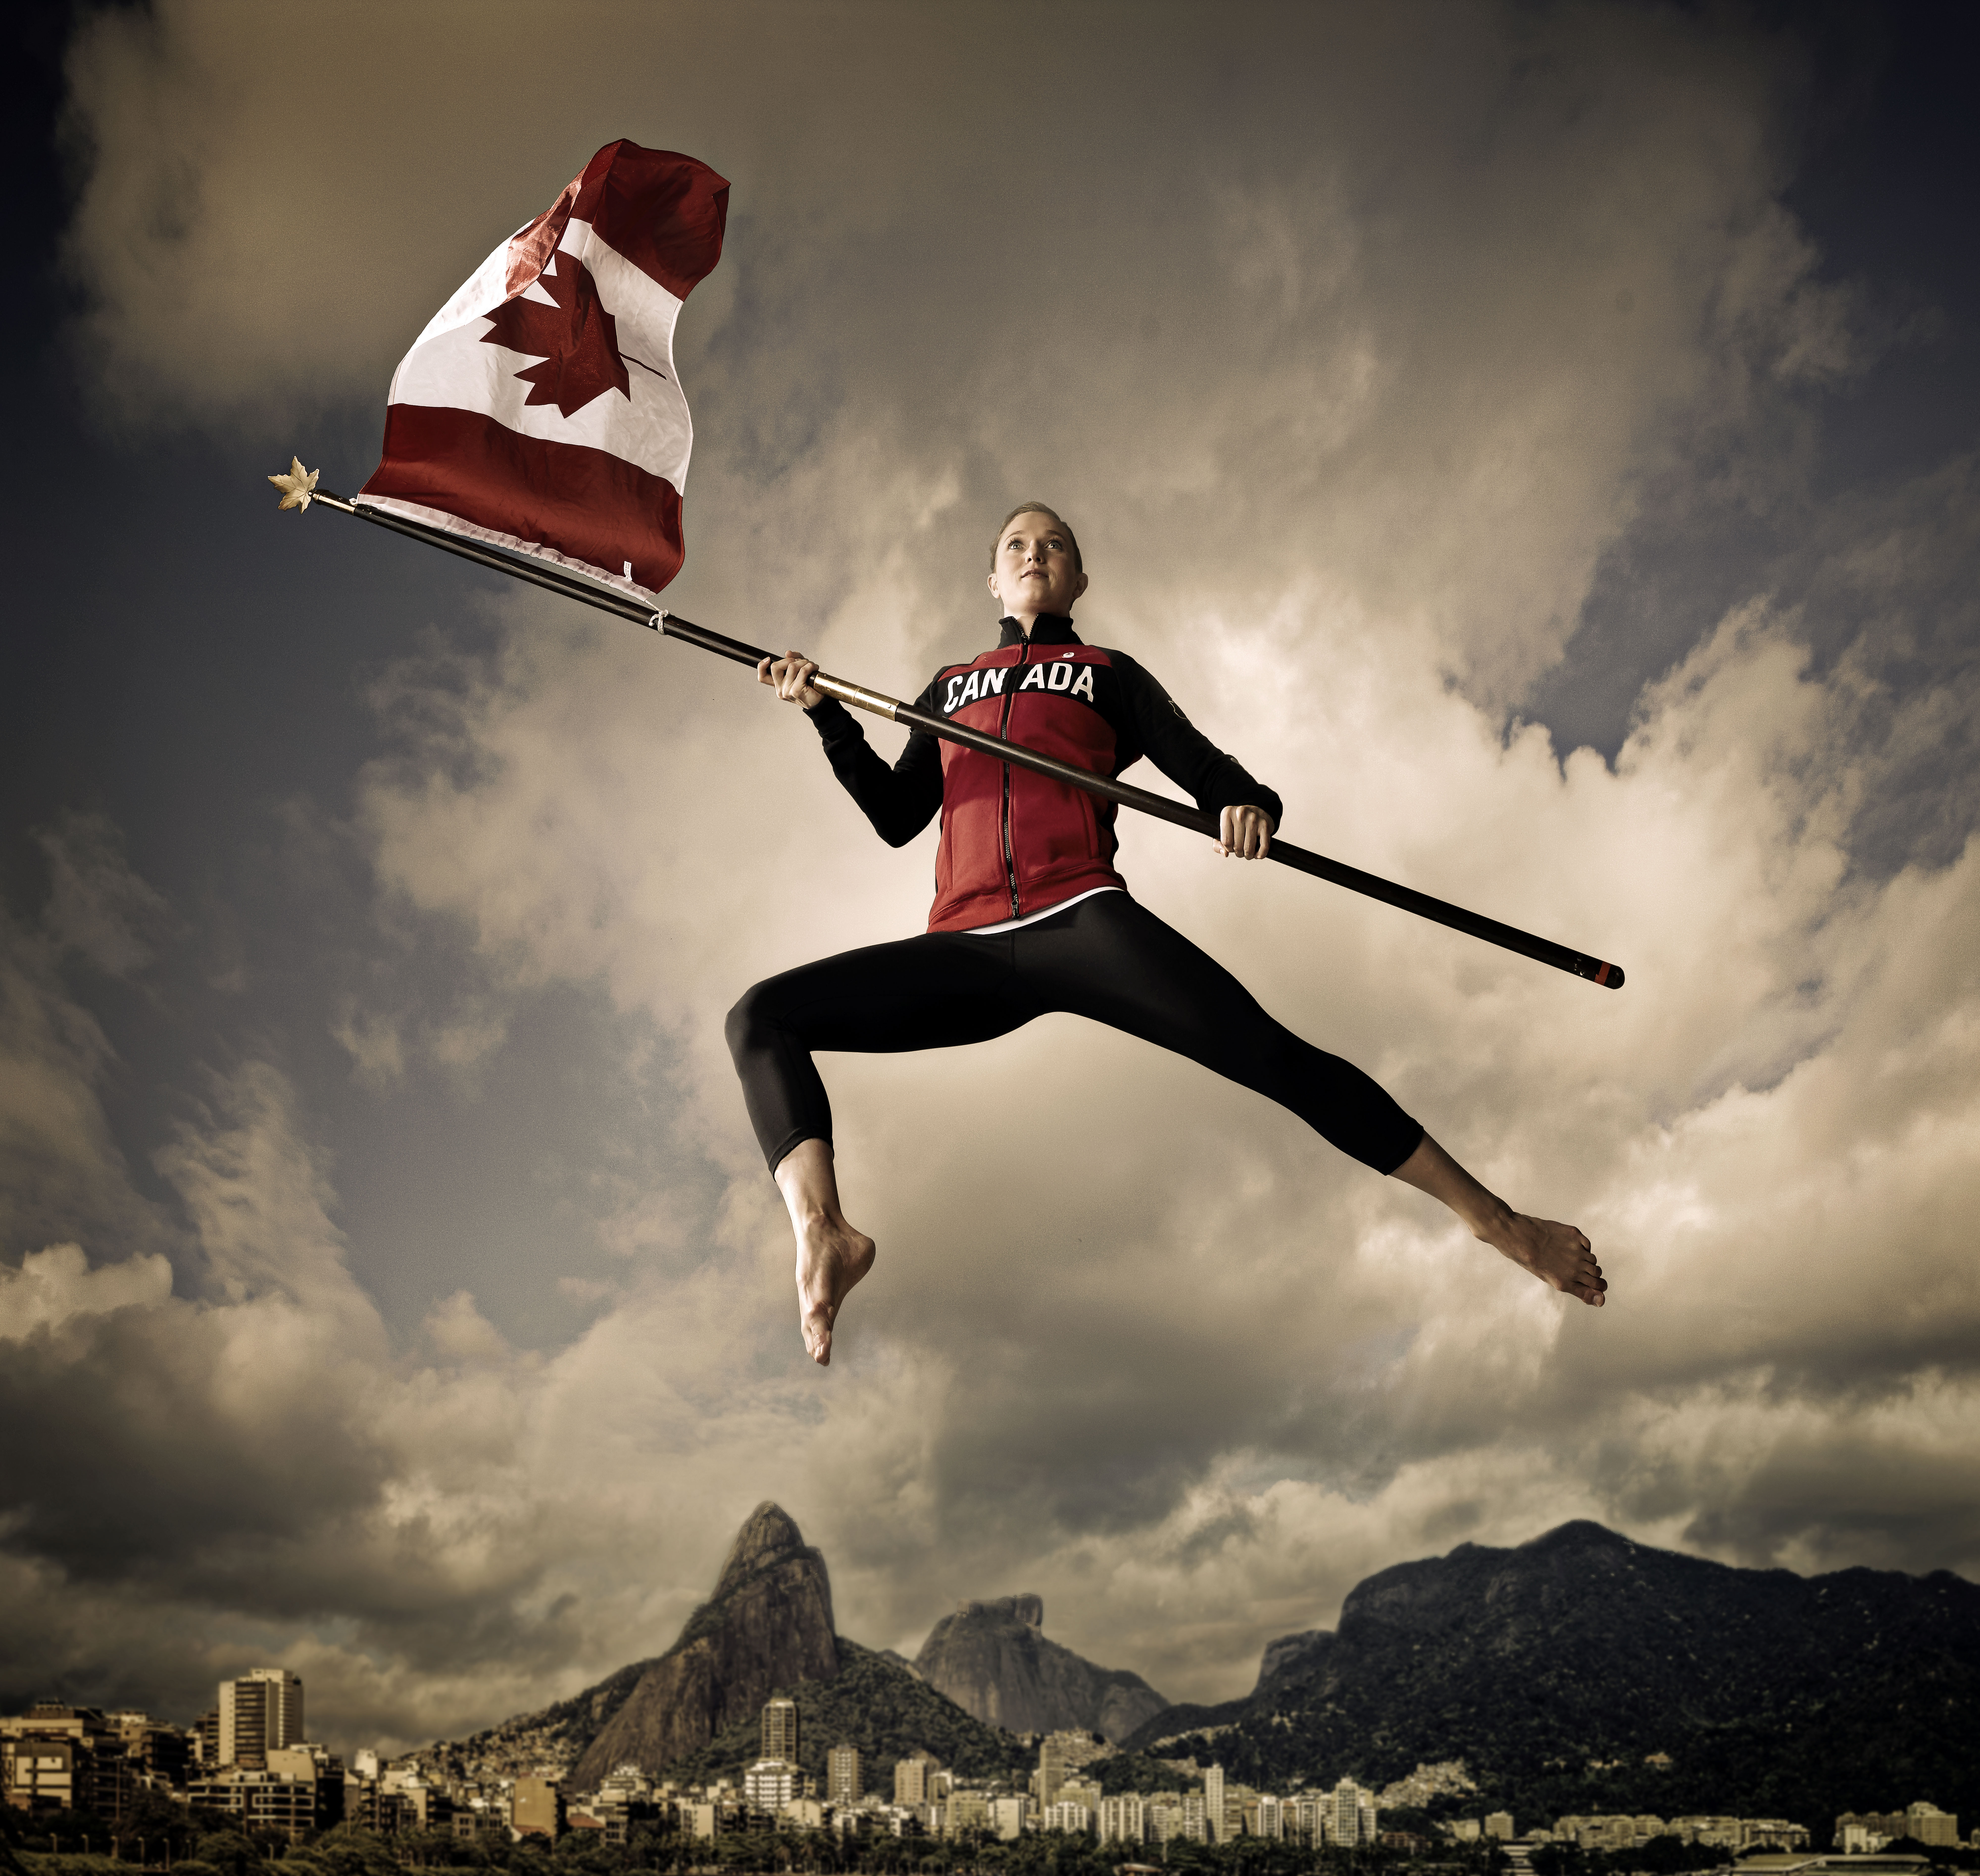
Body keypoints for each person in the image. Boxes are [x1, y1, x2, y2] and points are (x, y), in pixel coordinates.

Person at [730, 505, 1605, 1365]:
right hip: (964, 947)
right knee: (761, 1016)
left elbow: (1209, 770)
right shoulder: (947, 688)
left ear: (1078, 576)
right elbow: (895, 815)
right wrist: (826, 714)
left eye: (1055, 546)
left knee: (1277, 1058)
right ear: (992, 578)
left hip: (1080, 917)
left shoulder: (1109, 673)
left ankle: (1501, 1223)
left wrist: (1245, 807)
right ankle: (827, 1231)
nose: (1035, 554)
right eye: (1017, 546)